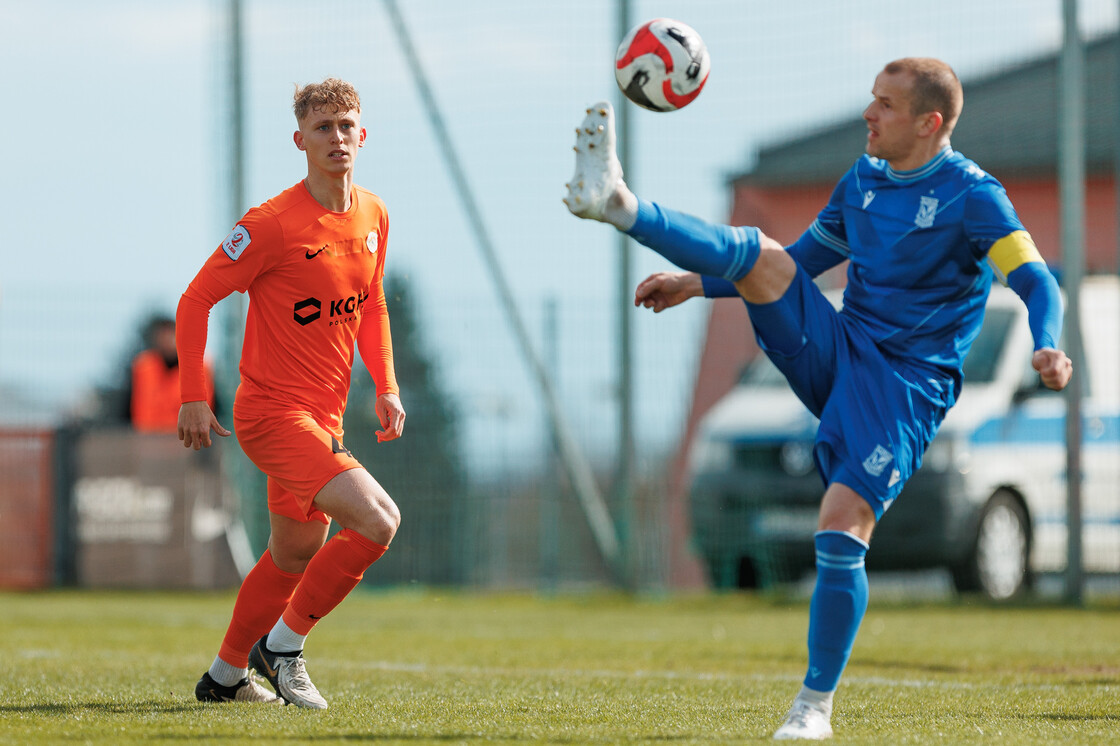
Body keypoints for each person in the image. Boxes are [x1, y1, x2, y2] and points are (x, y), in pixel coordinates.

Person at [564, 58, 1072, 740]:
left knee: (839, 524)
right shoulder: (862, 179)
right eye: (871, 99)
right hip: (839, 348)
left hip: (904, 387)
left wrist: (1047, 342)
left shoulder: (973, 196)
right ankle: (620, 205)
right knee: (758, 252)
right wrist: (697, 283)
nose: (868, 113)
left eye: (885, 105)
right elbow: (798, 263)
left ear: (929, 123)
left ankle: (813, 708)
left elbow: (1038, 282)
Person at [179, 78, 406, 708]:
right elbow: (195, 300)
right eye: (323, 127)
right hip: (271, 414)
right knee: (378, 519)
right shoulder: (271, 224)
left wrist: (386, 385)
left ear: (363, 134)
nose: (337, 138)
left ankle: (224, 679)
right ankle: (283, 648)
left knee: (294, 553)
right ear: (299, 140)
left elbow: (373, 302)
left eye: (347, 125)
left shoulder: (374, 215)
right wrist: (193, 393)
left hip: (324, 419)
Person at [127, 315, 215, 433]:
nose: (167, 341)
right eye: (163, 336)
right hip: (149, 440)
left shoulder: (201, 367)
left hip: (188, 440)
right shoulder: (142, 367)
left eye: (171, 335)